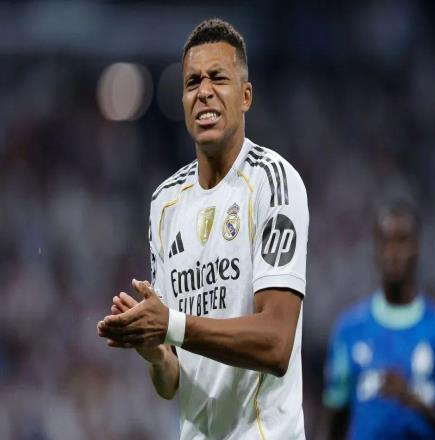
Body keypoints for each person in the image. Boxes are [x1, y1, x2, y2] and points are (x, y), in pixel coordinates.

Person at [97, 18, 308, 440]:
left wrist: (171, 325)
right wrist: (155, 352)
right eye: (192, 81)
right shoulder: (164, 203)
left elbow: (276, 343)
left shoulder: (273, 181)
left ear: (246, 96)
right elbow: (172, 382)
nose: (204, 91)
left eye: (218, 78)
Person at [320, 200, 435, 439]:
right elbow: (333, 425)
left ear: (417, 248)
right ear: (375, 250)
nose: (393, 252)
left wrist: (416, 403)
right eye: (385, 241)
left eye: (402, 241)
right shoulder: (349, 330)